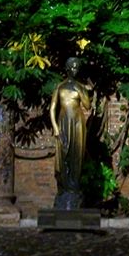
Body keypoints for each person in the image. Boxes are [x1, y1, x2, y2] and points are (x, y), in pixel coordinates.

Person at [49, 57, 93, 209]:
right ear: (67, 69)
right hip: (63, 123)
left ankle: (74, 188)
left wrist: (82, 91)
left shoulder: (80, 87)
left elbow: (87, 106)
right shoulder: (60, 87)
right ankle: (64, 188)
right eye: (72, 67)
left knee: (76, 154)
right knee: (63, 154)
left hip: (77, 124)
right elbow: (52, 109)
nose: (75, 70)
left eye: (77, 67)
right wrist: (55, 127)